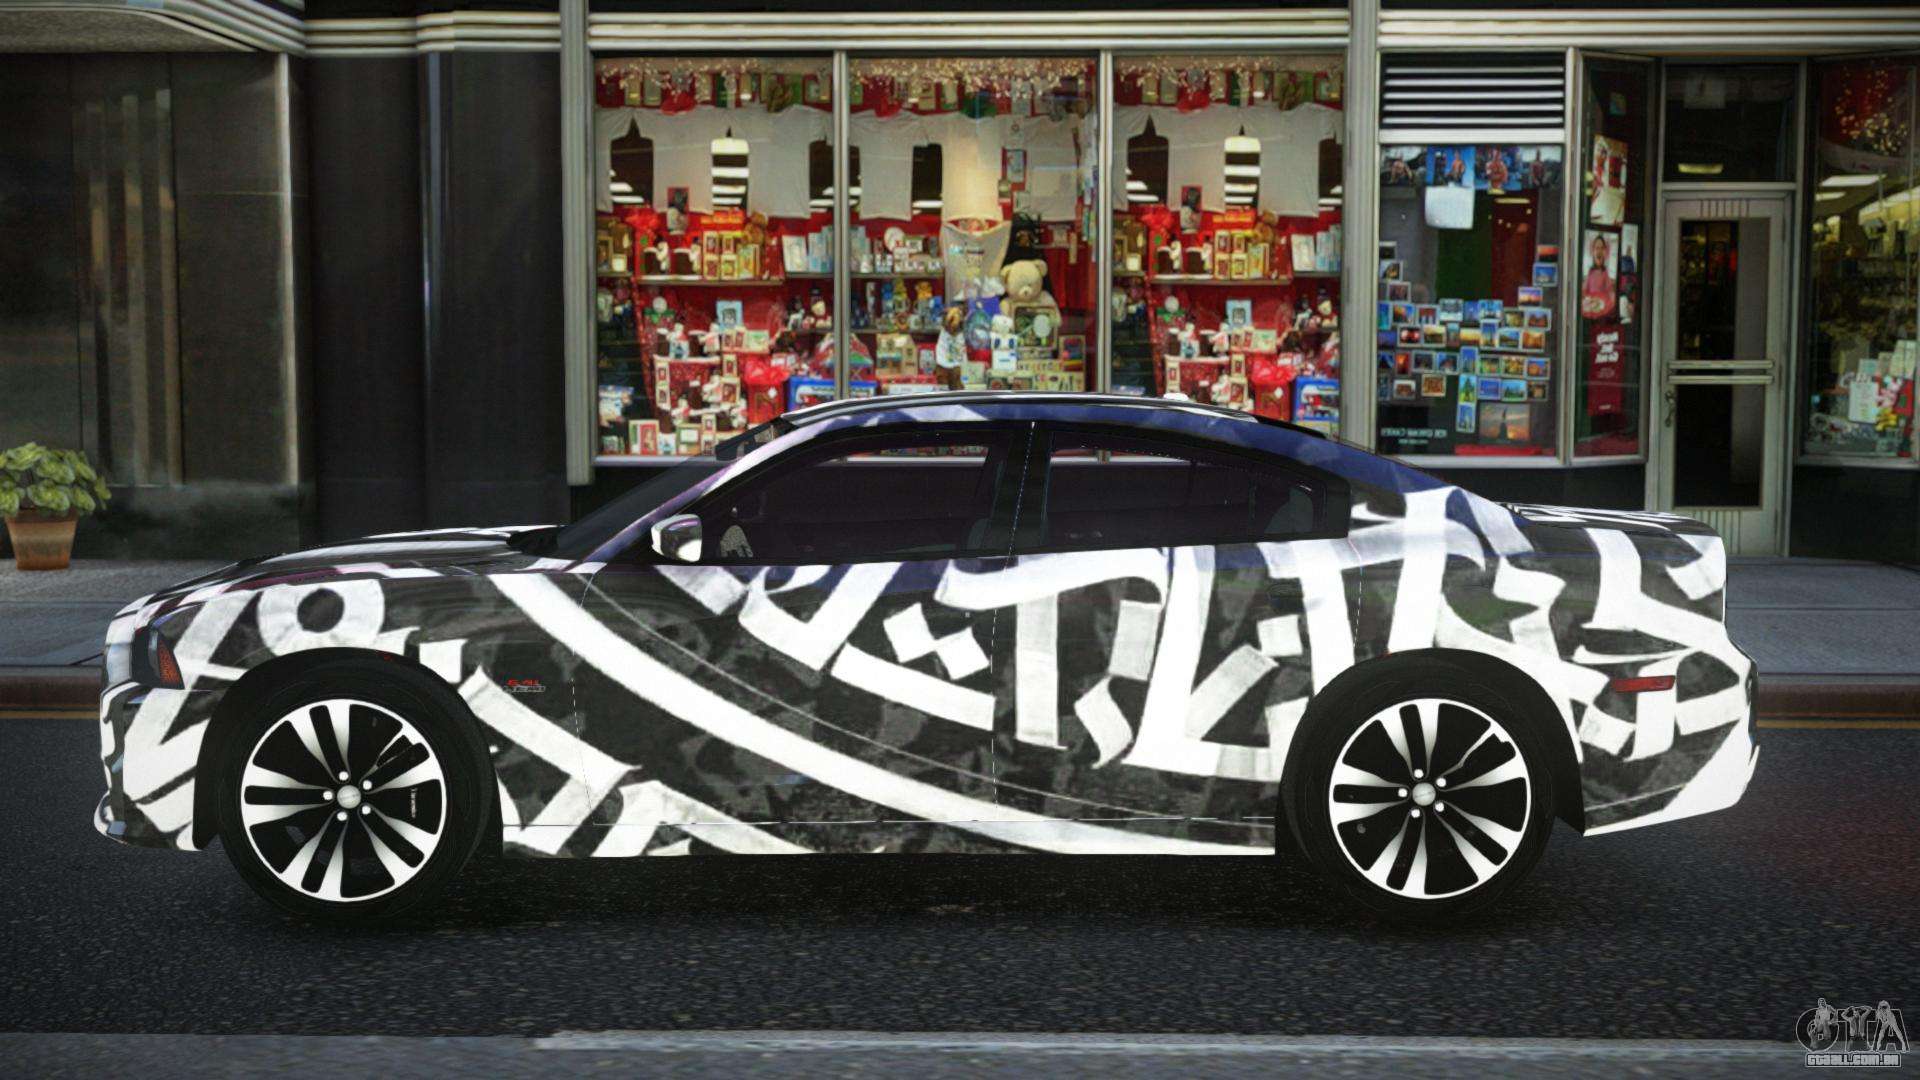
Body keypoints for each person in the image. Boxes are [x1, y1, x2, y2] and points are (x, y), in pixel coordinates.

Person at [1581, 233, 1617, 319]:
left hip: (1602, 307)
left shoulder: (1605, 272)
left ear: (1605, 252)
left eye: (1602, 248)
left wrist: (1613, 298)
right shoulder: (1590, 272)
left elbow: (1610, 290)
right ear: (1592, 251)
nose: (1599, 251)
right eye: (1597, 248)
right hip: (1590, 305)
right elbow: (1584, 289)